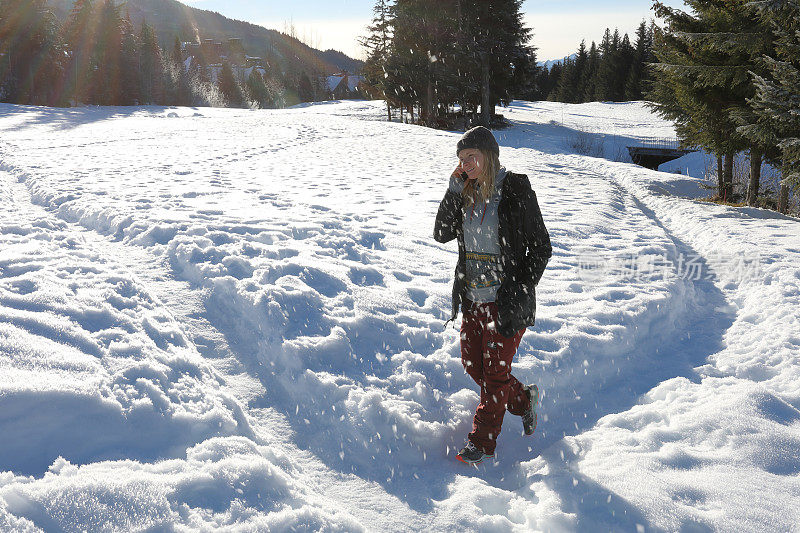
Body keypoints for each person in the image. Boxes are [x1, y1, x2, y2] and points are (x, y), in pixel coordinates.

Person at [434, 126, 552, 464]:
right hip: (473, 299)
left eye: (472, 156)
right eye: (461, 159)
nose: (467, 163)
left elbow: (541, 247)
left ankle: (482, 443)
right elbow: (441, 233)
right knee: (475, 367)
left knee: (495, 374)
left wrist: (519, 290)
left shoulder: (515, 189)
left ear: (489, 154)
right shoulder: (466, 192)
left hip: (505, 303)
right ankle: (524, 400)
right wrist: (454, 188)